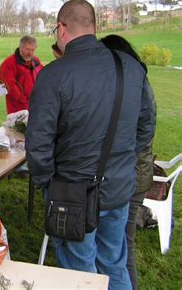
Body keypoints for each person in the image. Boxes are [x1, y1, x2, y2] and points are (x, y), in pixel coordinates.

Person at [25, 0, 155, 289]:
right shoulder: (131, 67)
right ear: (94, 27)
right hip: (118, 187)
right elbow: (146, 127)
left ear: (61, 28)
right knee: (114, 264)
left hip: (72, 191)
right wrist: (122, 160)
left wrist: (47, 182)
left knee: (79, 272)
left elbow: (37, 141)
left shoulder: (55, 74)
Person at [101, 34, 156, 290]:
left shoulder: (135, 82)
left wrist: (122, 155)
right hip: (131, 172)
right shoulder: (134, 80)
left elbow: (145, 129)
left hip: (131, 174)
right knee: (118, 245)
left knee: (123, 244)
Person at [0, 35, 43, 114]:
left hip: (36, 105)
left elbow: (43, 77)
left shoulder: (36, 60)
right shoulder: (9, 64)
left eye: (32, 50)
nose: (30, 53)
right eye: (27, 49)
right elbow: (10, 87)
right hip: (19, 110)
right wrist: (26, 102)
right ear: (20, 47)